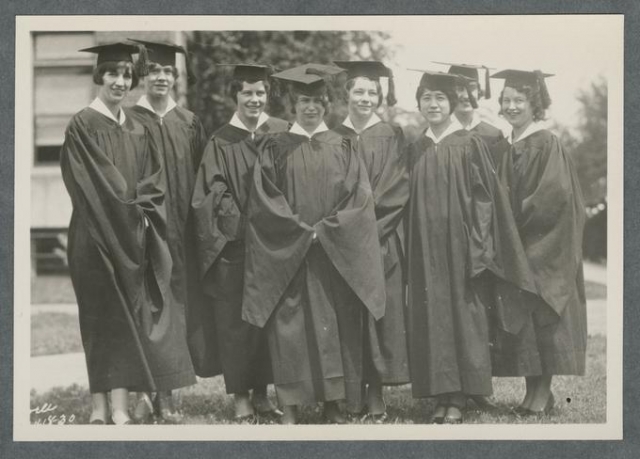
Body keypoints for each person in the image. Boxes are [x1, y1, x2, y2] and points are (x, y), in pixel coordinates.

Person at [241, 64, 386, 425]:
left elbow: (359, 199)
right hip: (290, 256)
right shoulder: (274, 147)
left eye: (318, 101)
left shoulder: (343, 145)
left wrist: (326, 231)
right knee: (289, 329)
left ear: (327, 104)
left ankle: (333, 404)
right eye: (304, 101)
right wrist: (299, 232)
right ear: (293, 103)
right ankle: (289, 406)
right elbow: (264, 200)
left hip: (331, 255)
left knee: (333, 328)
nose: (310, 108)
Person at [405, 70, 536, 424]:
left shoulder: (469, 143)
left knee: (464, 320)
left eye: (440, 98)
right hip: (425, 252)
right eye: (427, 98)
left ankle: (460, 398)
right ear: (418, 102)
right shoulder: (415, 148)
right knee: (433, 318)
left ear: (452, 103)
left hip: (462, 251)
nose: (433, 104)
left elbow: (484, 201)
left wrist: (478, 248)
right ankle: (441, 395)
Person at [60, 42, 172, 425]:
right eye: (114, 73)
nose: (121, 81)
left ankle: (121, 406)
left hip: (132, 237)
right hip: (94, 237)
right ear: (99, 76)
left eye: (127, 74)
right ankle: (98, 406)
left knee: (128, 317)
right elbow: (90, 184)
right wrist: (127, 213)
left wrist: (139, 213)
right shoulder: (82, 125)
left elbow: (153, 180)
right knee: (97, 317)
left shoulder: (138, 127)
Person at [190, 64, 288, 421]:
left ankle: (263, 395)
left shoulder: (280, 131)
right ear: (235, 95)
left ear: (268, 95)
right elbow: (211, 193)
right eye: (247, 92)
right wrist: (244, 225)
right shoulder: (221, 140)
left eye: (260, 92)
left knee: (267, 321)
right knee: (235, 323)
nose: (254, 99)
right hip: (236, 245)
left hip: (274, 246)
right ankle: (242, 397)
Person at [489, 69, 587, 415]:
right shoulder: (507, 145)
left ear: (535, 104)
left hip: (539, 249)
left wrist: (512, 230)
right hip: (516, 249)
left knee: (544, 322)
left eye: (520, 101)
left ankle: (542, 396)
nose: (512, 106)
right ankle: (533, 395)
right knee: (526, 329)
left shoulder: (546, 143)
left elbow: (553, 199)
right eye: (507, 100)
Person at [126, 39, 204, 423]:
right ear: (143, 76)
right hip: (143, 231)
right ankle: (143, 391)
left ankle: (168, 394)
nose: (161, 77)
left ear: (175, 77)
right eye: (154, 71)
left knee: (175, 307)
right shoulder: (127, 120)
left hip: (182, 232)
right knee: (145, 307)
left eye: (167, 72)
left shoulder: (188, 122)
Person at [332, 60, 409, 421]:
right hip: (341, 246)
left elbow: (396, 190)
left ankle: (376, 393)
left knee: (379, 316)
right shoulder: (333, 136)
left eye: (372, 93)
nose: (365, 98)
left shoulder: (392, 135)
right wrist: (345, 235)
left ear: (380, 97)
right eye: (359, 91)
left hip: (381, 242)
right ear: (346, 94)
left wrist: (367, 234)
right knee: (346, 318)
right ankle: (350, 393)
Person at [436, 62, 505, 150]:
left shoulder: (493, 135)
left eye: (472, 88)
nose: (466, 95)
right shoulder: (437, 134)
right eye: (459, 89)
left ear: (479, 91)